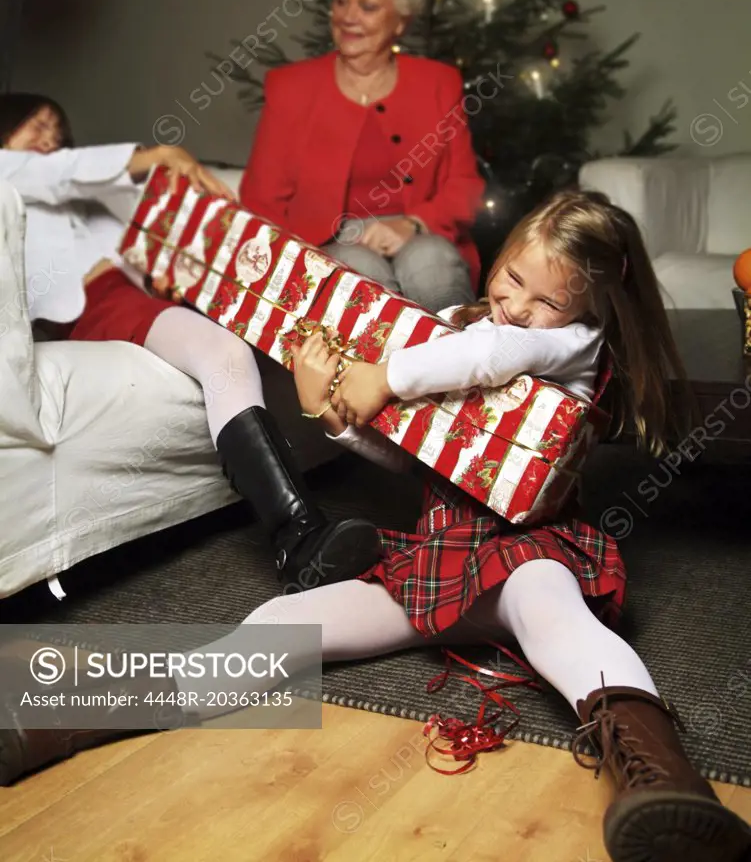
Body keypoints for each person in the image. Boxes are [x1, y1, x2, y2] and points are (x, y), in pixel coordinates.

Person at [3, 190, 750, 862]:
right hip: (436, 560)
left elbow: (500, 351)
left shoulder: (572, 345)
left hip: (525, 556)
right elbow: (410, 455)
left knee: (553, 614)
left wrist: (385, 374)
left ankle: (664, 786)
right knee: (281, 621)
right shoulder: (460, 332)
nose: (518, 305)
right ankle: (64, 715)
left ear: (588, 308)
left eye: (547, 299)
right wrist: (329, 407)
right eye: (512, 279)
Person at [0, 92, 381, 587]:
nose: (50, 138)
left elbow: (133, 237)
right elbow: (55, 171)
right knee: (223, 352)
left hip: (147, 293)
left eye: (57, 128)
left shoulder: (81, 195)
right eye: (36, 126)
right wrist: (158, 154)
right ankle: (299, 537)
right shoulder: (14, 173)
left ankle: (389, 438)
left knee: (271, 321)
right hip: (95, 307)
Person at [239, 0, 485, 314]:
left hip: (418, 231)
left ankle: (458, 369)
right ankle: (387, 372)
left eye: (368, 6)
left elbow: (465, 187)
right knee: (361, 276)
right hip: (330, 240)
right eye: (342, 0)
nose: (347, 16)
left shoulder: (438, 83)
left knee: (432, 262)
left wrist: (414, 224)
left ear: (400, 21)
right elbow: (262, 200)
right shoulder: (290, 87)